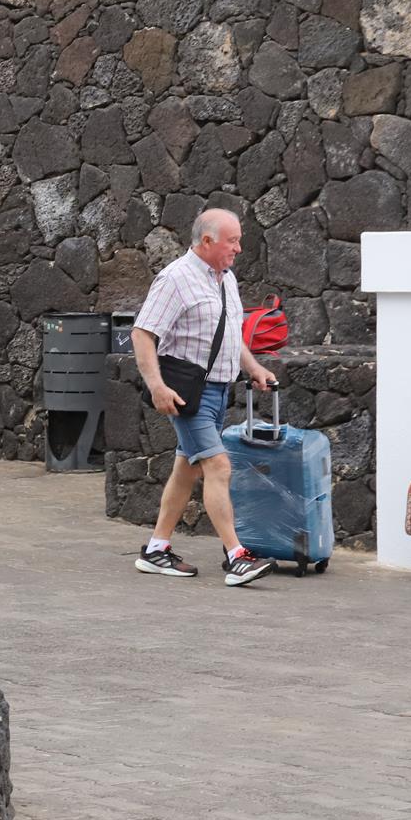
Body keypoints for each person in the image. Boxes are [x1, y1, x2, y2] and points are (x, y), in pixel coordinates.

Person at [129, 208, 279, 587]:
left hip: (219, 391)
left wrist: (254, 367)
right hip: (187, 395)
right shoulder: (175, 279)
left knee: (187, 469)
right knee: (218, 467)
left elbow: (230, 335)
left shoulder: (225, 278)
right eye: (233, 240)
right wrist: (157, 386)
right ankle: (236, 555)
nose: (239, 248)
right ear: (207, 241)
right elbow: (142, 333)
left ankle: (156, 549)